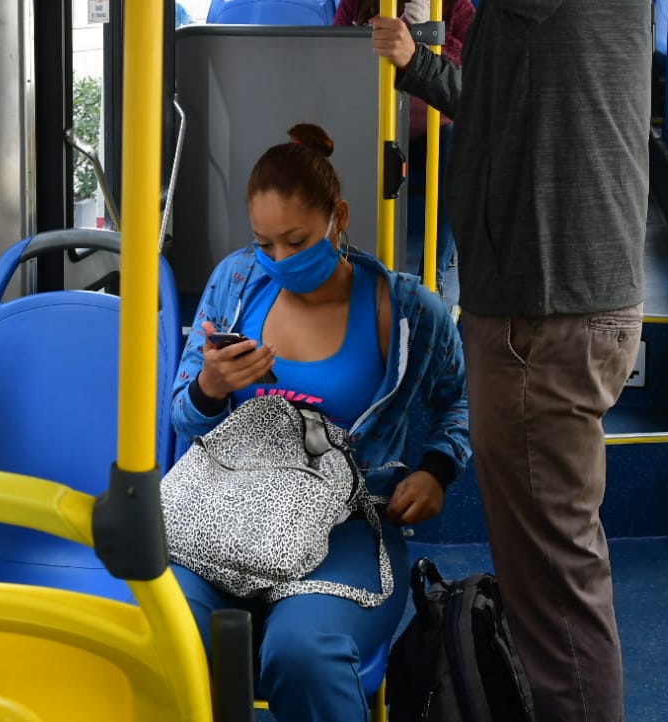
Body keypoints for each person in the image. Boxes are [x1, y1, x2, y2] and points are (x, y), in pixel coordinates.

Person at [329, 0, 668, 722]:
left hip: (546, 314)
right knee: (547, 580)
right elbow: (506, 99)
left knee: (557, 589)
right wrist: (423, 68)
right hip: (553, 298)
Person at [169, 123, 470, 722]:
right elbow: (181, 415)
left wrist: (436, 471)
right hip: (226, 509)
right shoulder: (234, 284)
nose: (278, 260)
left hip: (349, 527)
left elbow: (457, 405)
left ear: (338, 219)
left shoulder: (408, 312)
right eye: (264, 243)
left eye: (296, 241)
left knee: (303, 651)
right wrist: (211, 386)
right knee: (166, 635)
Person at [333, 0, 474, 297]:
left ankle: (433, 274)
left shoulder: (455, 5)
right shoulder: (356, 3)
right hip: (372, 122)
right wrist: (358, 42)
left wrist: (431, 38)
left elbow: (471, 72)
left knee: (454, 144)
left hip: (432, 127)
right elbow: (331, 59)